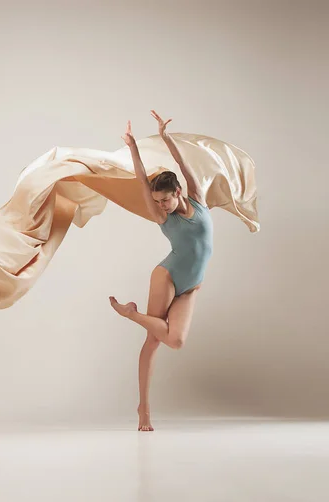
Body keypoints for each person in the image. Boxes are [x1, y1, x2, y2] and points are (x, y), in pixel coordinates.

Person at [109, 110, 214, 431]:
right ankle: (144, 410)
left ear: (179, 192)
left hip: (191, 286)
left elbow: (184, 166)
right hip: (167, 277)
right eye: (158, 201)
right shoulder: (161, 217)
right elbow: (142, 179)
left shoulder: (198, 199)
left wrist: (166, 136)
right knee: (153, 341)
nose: (161, 205)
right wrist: (132, 147)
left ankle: (130, 313)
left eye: (166, 199)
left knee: (176, 341)